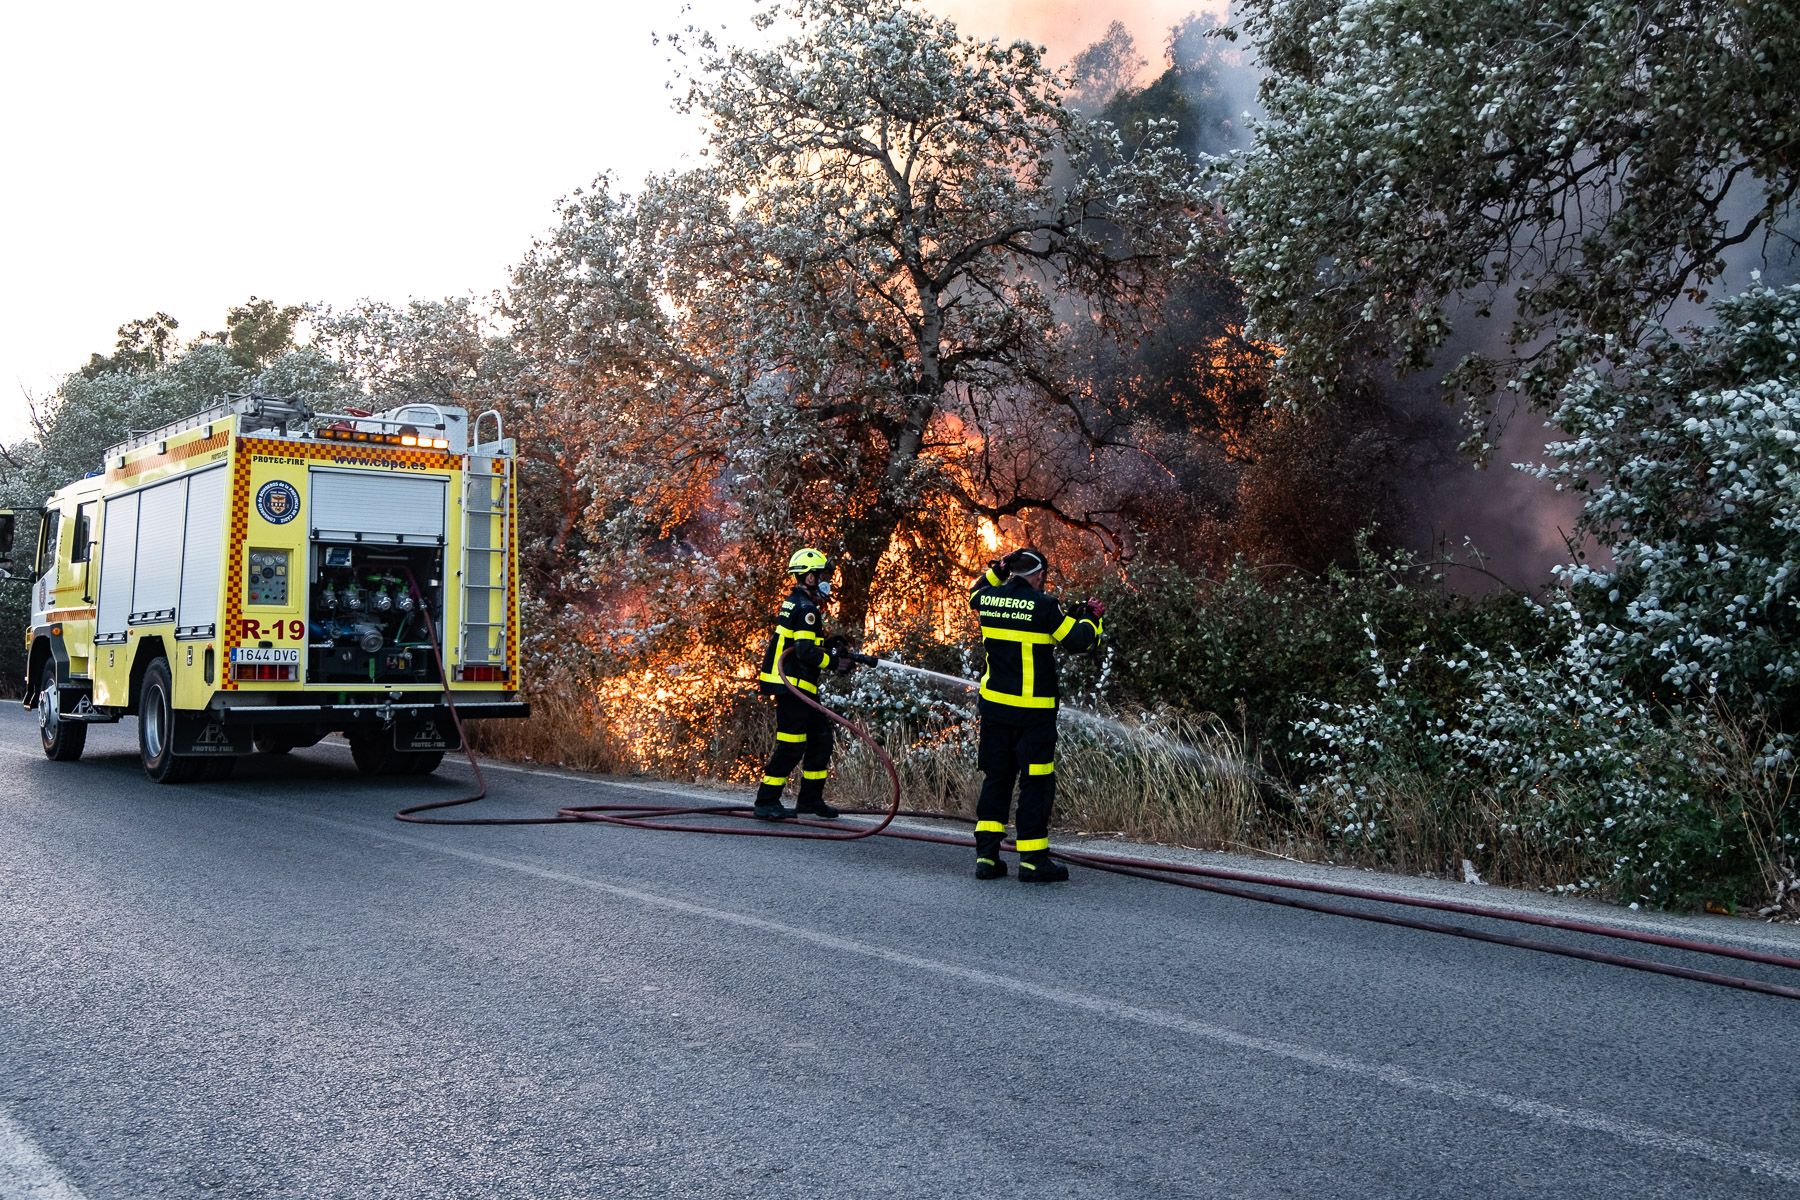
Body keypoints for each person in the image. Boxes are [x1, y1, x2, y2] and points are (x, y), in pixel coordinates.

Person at [967, 547, 1104, 882]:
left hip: (995, 710)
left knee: (997, 778)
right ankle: (1032, 861)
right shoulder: (1044, 606)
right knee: (1036, 783)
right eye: (1043, 577)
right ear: (1039, 575)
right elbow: (1079, 641)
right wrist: (1091, 617)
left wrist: (999, 570)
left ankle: (986, 858)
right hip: (1033, 715)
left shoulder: (988, 598)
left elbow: (974, 592)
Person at [753, 547, 859, 821]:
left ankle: (810, 800)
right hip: (792, 686)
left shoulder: (797, 603)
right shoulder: (807, 609)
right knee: (792, 745)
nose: (827, 581)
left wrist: (830, 644)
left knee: (821, 740)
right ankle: (766, 801)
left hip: (798, 685)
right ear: (809, 578)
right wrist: (836, 663)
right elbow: (805, 652)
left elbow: (806, 644)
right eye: (823, 575)